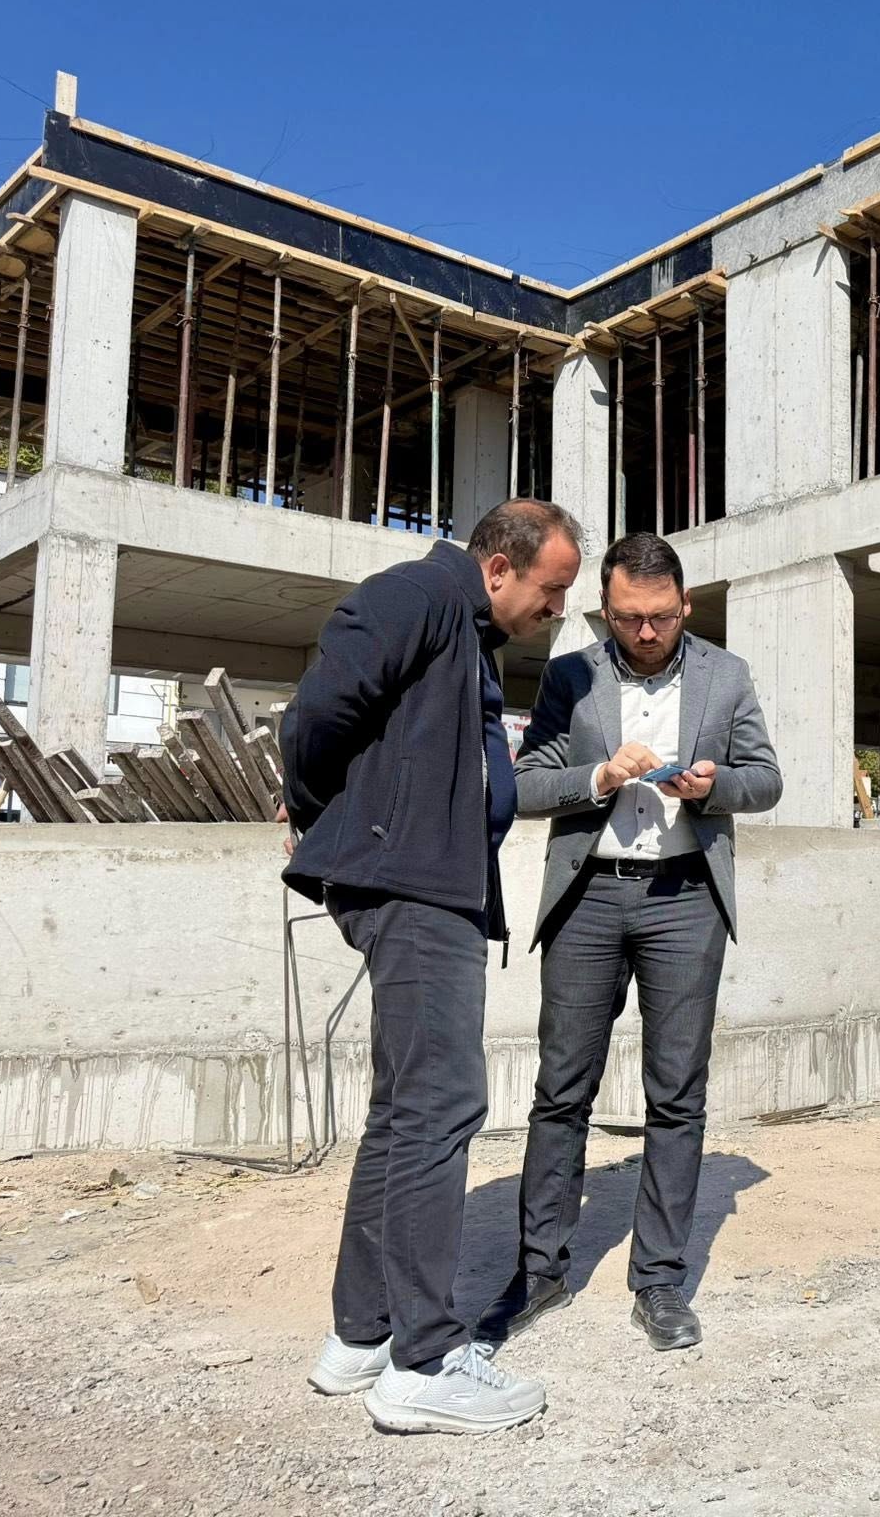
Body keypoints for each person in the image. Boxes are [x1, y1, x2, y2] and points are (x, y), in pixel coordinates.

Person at [282, 498, 582, 1434]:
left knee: (406, 1109)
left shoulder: (461, 629)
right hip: (410, 887)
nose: (557, 611)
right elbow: (315, 718)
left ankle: (361, 1337)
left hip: (429, 886)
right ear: (500, 568)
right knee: (444, 1104)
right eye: (553, 589)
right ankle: (422, 1360)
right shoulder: (416, 594)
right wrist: (337, 819)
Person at [481, 531, 780, 1353]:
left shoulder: (728, 675)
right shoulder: (571, 672)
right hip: (589, 899)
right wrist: (598, 778)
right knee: (561, 1086)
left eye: (658, 618)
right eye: (626, 619)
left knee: (677, 1093)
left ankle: (660, 1279)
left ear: (684, 606)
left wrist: (716, 787)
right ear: (604, 609)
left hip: (685, 898)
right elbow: (527, 782)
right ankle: (540, 1269)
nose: (644, 635)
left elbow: (768, 779)